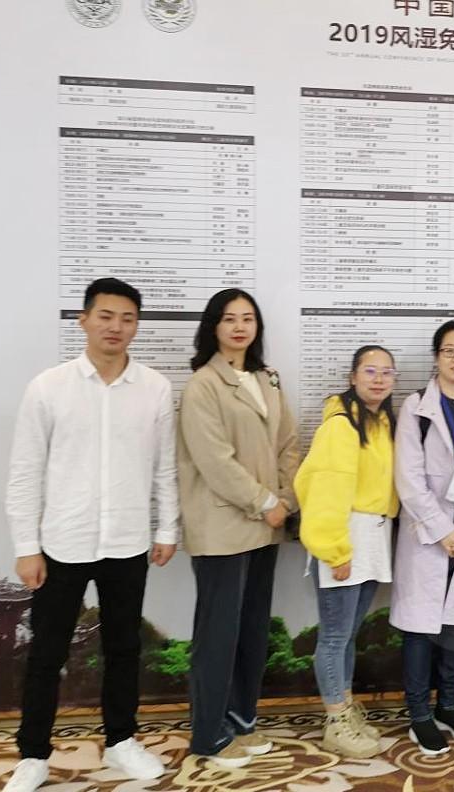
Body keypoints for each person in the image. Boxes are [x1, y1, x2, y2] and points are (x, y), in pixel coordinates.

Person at [3, 278, 178, 792]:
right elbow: (24, 472)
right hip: (64, 541)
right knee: (47, 653)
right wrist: (26, 546)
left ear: (136, 326)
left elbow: (164, 468)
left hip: (128, 540)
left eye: (127, 318)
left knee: (124, 648)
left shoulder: (155, 389)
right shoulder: (48, 387)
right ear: (83, 320)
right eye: (105, 316)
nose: (115, 327)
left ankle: (121, 741)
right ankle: (33, 754)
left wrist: (167, 527)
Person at [177, 288, 299, 769]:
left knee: (252, 629)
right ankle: (208, 735)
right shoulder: (202, 385)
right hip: (223, 529)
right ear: (213, 327)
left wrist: (286, 498)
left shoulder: (267, 380)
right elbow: (215, 461)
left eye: (248, 318)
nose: (240, 326)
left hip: (267, 527)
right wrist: (265, 502)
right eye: (230, 319)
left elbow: (289, 443)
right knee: (218, 635)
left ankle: (241, 721)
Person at [392, 321, 454, 755]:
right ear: (436, 357)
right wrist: (445, 531)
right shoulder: (415, 407)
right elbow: (409, 481)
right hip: (428, 537)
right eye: (450, 350)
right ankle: (419, 715)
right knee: (420, 630)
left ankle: (448, 707)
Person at [296, 345, 400, 759]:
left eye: (386, 372)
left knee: (348, 635)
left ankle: (345, 707)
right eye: (370, 371)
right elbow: (323, 488)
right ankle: (335, 720)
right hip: (345, 536)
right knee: (335, 635)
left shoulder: (381, 423)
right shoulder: (340, 425)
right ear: (353, 377)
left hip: (373, 538)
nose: (379, 379)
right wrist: (334, 549)